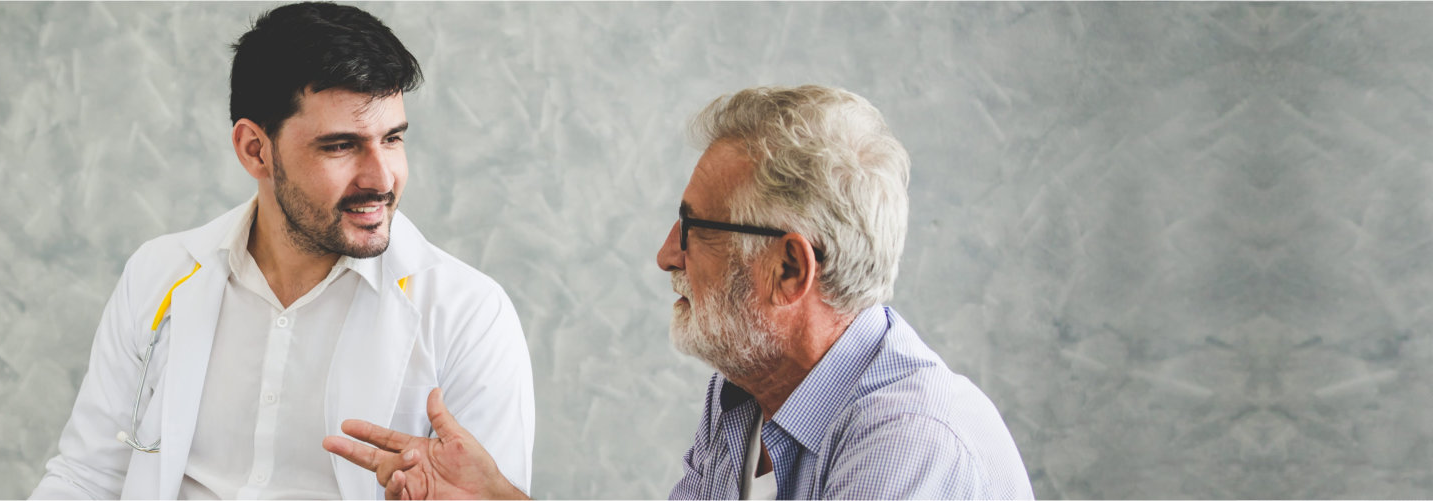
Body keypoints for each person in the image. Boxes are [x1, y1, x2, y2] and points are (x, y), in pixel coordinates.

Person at [322, 85, 1033, 500]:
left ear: (790, 269)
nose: (666, 253)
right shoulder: (745, 398)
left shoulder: (911, 448)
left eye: (694, 227)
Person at [31, 3, 535, 499]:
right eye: (340, 146)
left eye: (393, 139)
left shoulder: (469, 313)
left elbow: (481, 493)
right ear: (255, 149)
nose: (381, 179)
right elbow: (85, 478)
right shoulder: (158, 274)